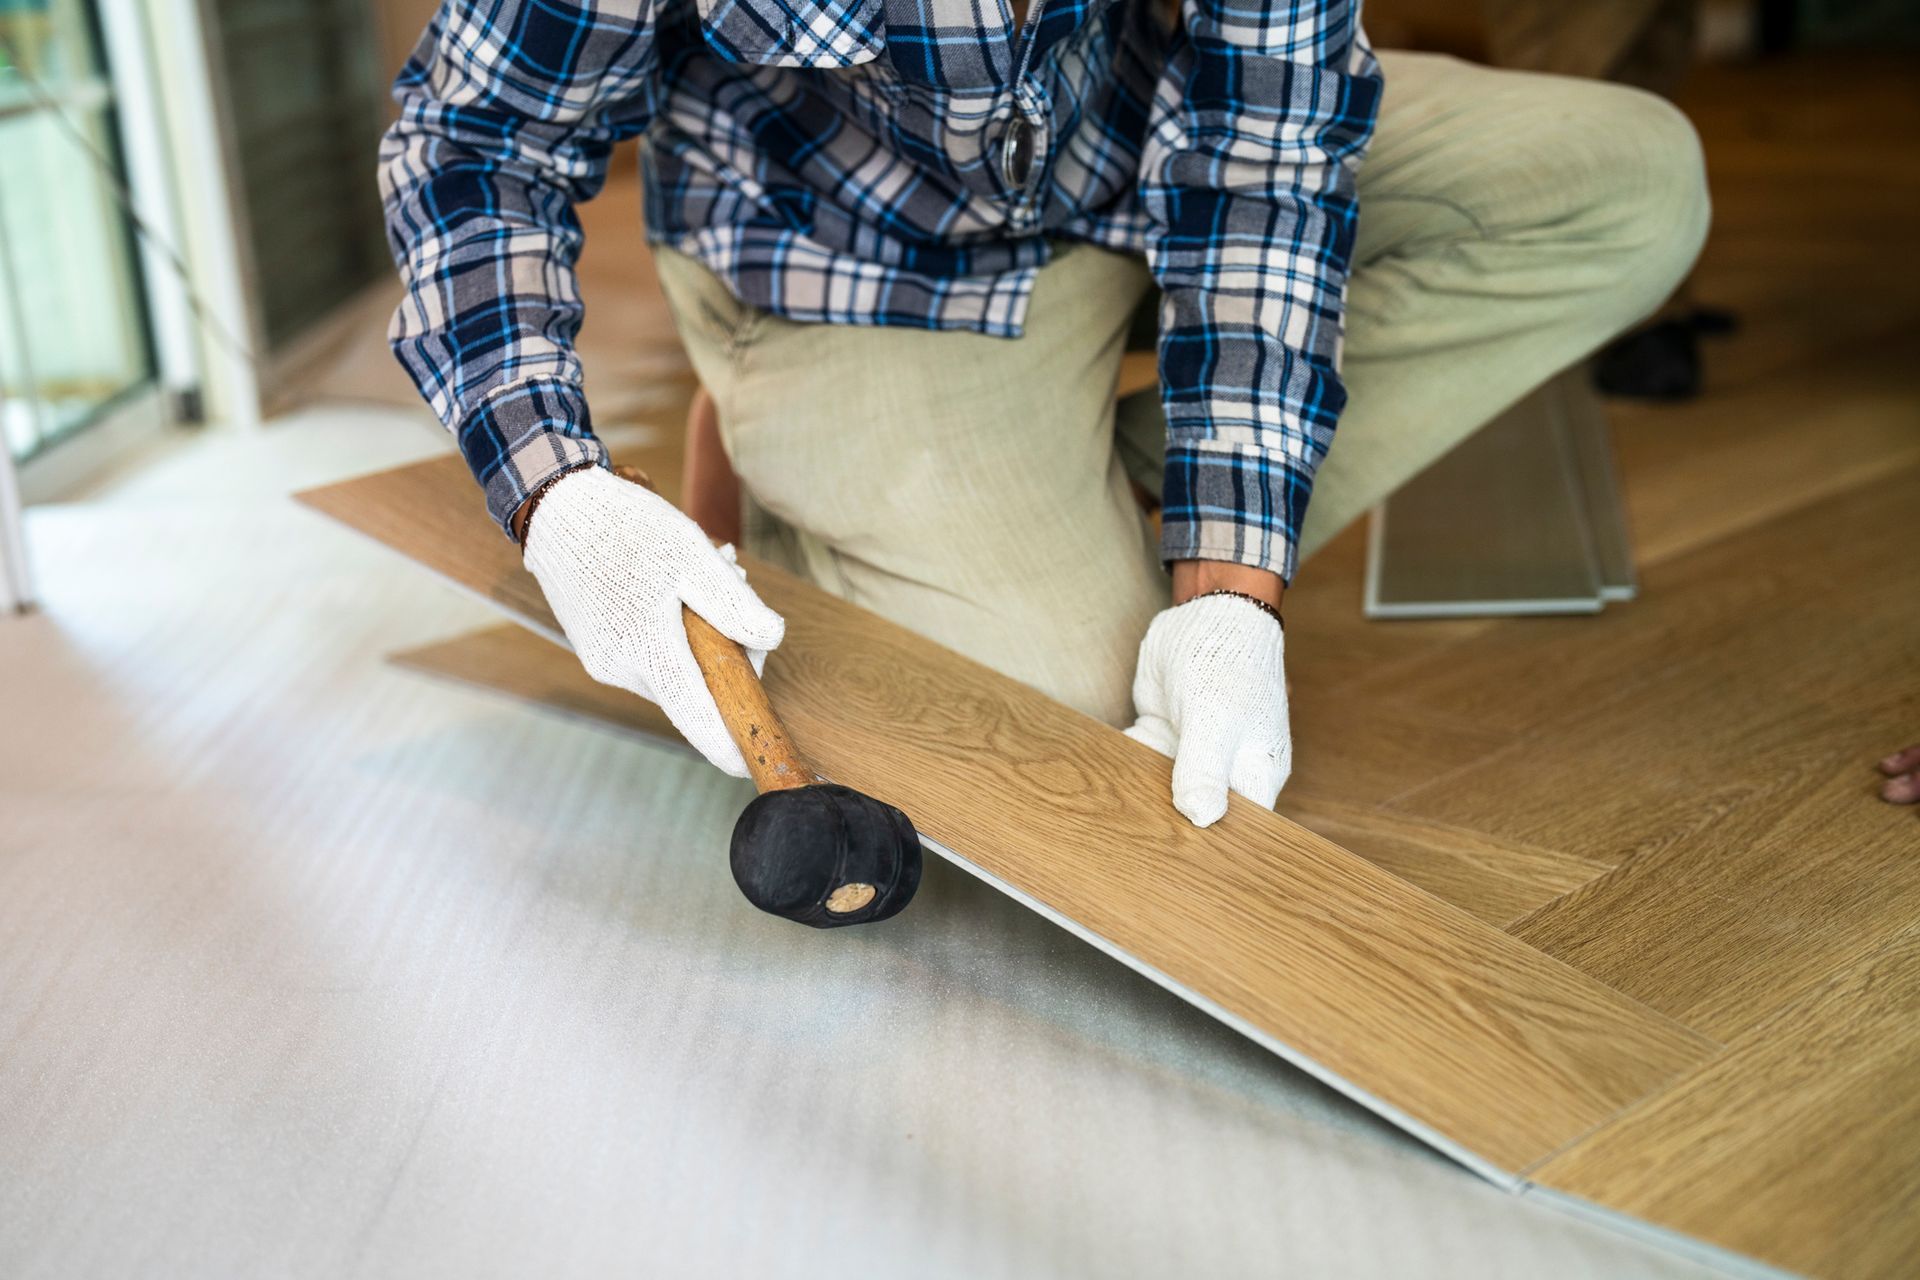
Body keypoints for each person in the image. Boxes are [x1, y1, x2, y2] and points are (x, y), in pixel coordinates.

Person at [379, 0, 1708, 827]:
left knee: (1628, 185)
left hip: (1143, 157)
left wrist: (1228, 592)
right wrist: (558, 490)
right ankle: (793, 472)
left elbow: (1268, 167)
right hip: (852, 262)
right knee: (1066, 698)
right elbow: (479, 140)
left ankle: (1077, 503)